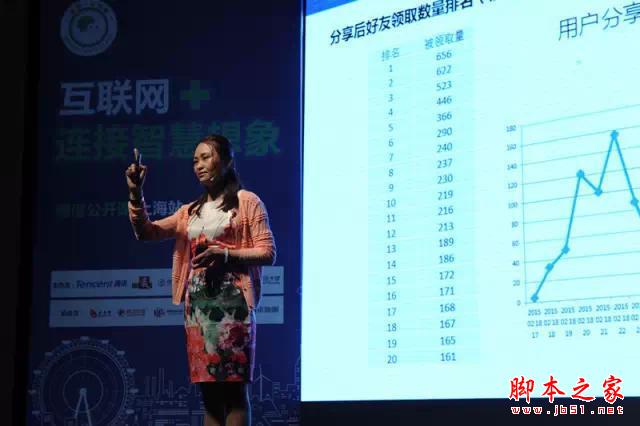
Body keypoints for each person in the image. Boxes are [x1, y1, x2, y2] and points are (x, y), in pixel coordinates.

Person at [125, 134, 276, 426]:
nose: (199, 165)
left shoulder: (247, 202)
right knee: (209, 400)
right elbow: (146, 231)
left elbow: (267, 252)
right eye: (195, 160)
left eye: (206, 157)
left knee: (234, 395)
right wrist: (135, 193)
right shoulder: (189, 212)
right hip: (197, 312)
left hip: (233, 309)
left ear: (227, 161)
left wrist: (226, 255)